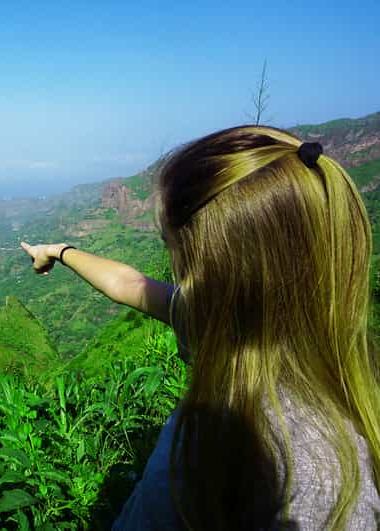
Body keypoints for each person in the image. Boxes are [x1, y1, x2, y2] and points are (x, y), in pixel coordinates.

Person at [19, 126, 380, 530]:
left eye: (170, 247)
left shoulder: (313, 478)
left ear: (213, 275)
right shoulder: (231, 326)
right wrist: (58, 252)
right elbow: (126, 284)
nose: (173, 271)